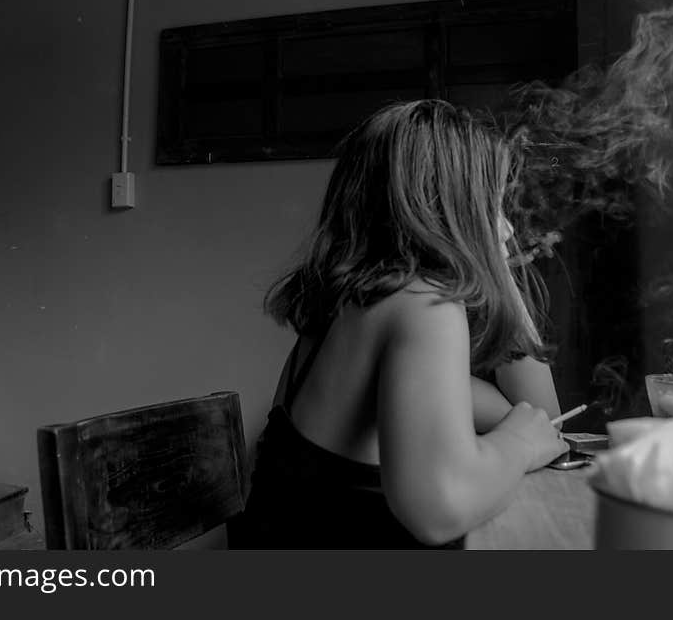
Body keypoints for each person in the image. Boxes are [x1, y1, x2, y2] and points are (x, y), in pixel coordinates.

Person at [231, 100, 568, 549]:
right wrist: (520, 446)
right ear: (449, 207)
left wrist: (498, 275)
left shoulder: (347, 313)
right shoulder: (421, 305)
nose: (507, 230)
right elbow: (440, 509)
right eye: (491, 205)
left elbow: (535, 416)